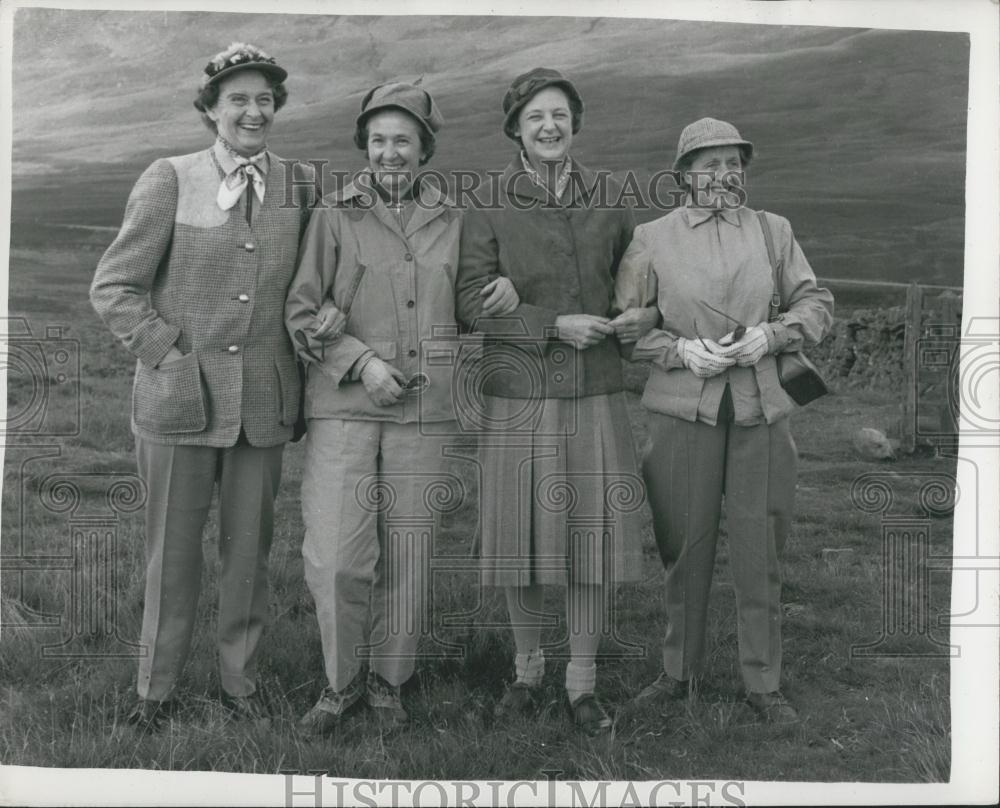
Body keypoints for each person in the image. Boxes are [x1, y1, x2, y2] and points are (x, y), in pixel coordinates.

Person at [90, 43, 317, 728]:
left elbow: (314, 282)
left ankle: (238, 685)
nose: (253, 111)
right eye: (238, 99)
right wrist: (167, 353)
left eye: (264, 99)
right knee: (173, 554)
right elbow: (114, 286)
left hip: (263, 407)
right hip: (178, 403)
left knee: (248, 552)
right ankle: (154, 692)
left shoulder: (301, 183)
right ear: (211, 110)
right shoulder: (170, 178)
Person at [285, 81, 518, 734]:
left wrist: (496, 293)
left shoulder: (457, 219)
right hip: (347, 410)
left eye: (404, 141)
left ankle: (389, 682)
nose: (391, 153)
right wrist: (360, 363)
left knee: (409, 555)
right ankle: (340, 685)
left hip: (427, 413)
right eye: (379, 140)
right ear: (365, 147)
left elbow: (467, 306)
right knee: (336, 556)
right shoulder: (334, 215)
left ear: (425, 151)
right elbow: (301, 313)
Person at [456, 67, 659, 736]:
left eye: (560, 115)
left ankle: (582, 682)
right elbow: (467, 303)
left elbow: (633, 286)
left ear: (575, 122)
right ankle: (527, 669)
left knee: (590, 537)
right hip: (519, 392)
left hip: (597, 388)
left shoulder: (610, 195)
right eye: (536, 115)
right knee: (522, 538)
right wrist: (549, 324)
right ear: (515, 125)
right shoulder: (487, 200)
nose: (550, 125)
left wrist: (640, 320)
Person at [614, 117, 834, 723]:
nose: (724, 174)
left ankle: (763, 682)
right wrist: (677, 350)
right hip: (682, 409)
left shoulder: (773, 231)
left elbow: (815, 302)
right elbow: (627, 328)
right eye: (709, 164)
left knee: (760, 543)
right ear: (683, 173)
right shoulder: (651, 238)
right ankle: (678, 670)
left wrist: (773, 334)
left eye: (734, 163)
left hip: (762, 408)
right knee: (684, 546)